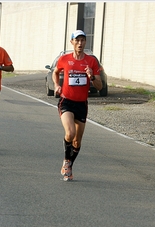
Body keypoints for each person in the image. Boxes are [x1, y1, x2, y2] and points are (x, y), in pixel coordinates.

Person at [52, 30, 103, 181]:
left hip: (82, 103)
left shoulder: (92, 61)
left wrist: (92, 76)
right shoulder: (64, 59)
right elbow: (55, 72)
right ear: (72, 42)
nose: (80, 43)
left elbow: (99, 87)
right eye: (77, 40)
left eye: (83, 40)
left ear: (85, 42)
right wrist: (56, 85)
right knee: (70, 133)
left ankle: (69, 164)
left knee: (77, 141)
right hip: (66, 101)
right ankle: (67, 162)